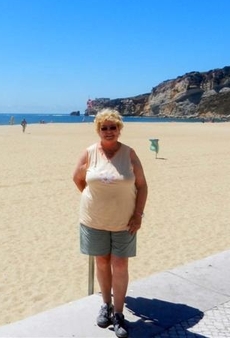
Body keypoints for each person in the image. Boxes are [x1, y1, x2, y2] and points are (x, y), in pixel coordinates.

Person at [72, 108, 148, 338]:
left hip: (125, 222)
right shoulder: (89, 153)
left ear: (119, 129)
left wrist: (138, 214)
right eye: (104, 128)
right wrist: (94, 197)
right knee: (102, 263)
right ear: (98, 130)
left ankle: (118, 313)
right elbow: (77, 179)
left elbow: (142, 185)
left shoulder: (129, 154)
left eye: (112, 127)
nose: (108, 131)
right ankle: (105, 304)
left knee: (120, 265)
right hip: (93, 220)